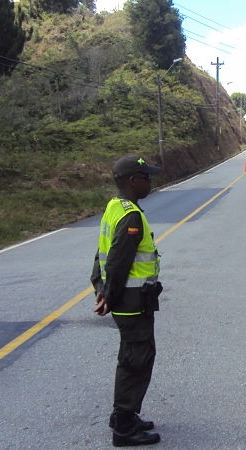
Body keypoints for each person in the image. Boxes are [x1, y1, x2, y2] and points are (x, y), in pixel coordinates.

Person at [91, 155, 163, 447]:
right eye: (146, 177)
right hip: (132, 300)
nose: (150, 181)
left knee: (133, 355)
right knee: (137, 359)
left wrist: (99, 285)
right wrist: (108, 294)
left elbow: (101, 252)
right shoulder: (130, 215)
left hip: (128, 298)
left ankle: (126, 415)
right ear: (133, 181)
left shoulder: (114, 207)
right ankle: (123, 426)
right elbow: (118, 260)